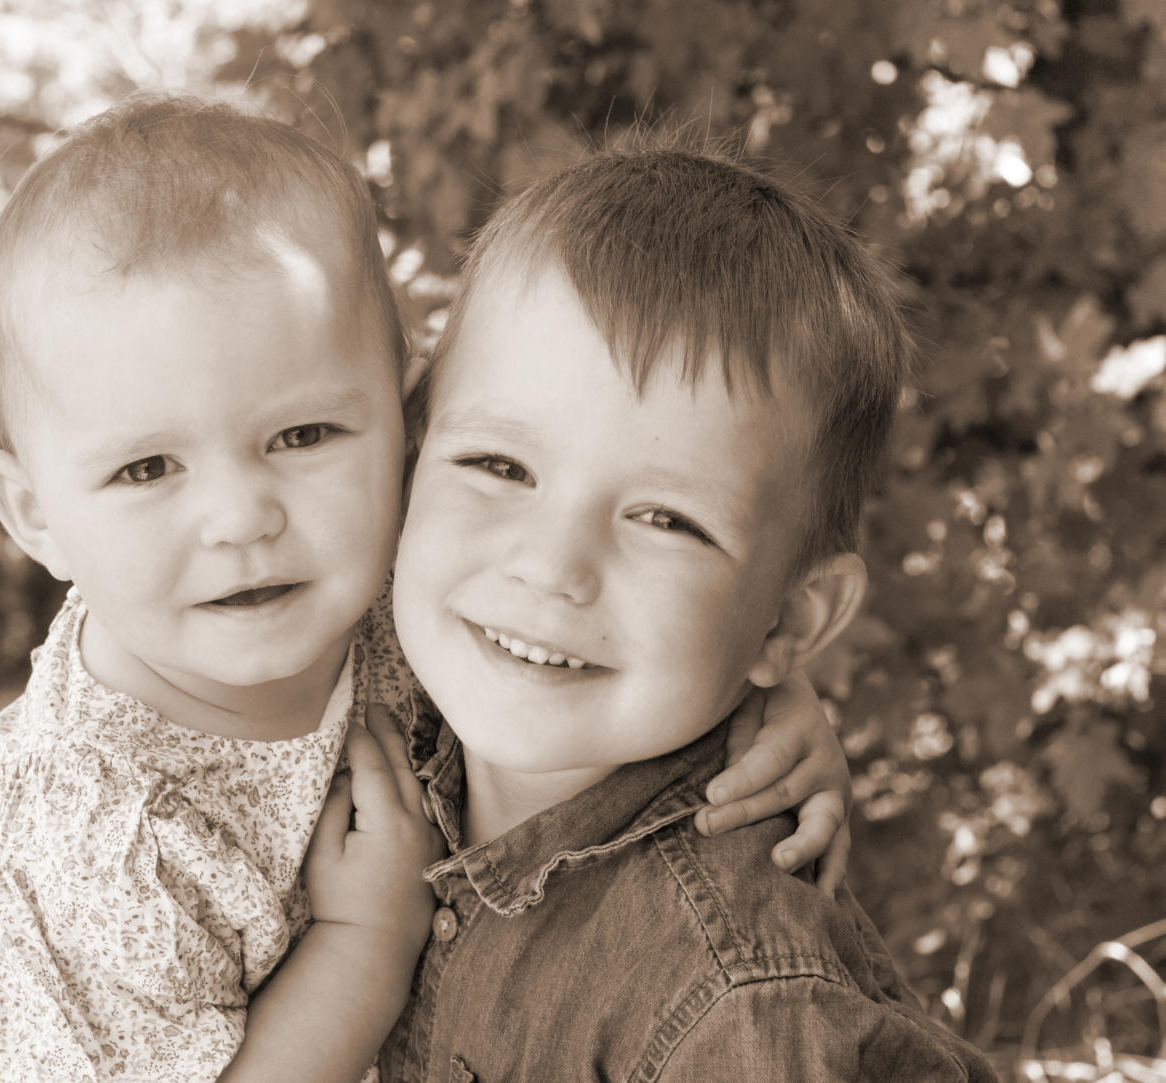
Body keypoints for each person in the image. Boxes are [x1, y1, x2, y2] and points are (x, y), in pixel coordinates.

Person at [0, 93, 854, 1083]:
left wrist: (765, 689)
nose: (242, 518)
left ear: (406, 423)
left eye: (304, 436)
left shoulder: (387, 589)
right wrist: (363, 945)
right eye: (147, 469)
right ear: (35, 514)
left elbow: (622, 620)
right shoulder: (88, 852)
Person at [376, 145, 999, 1079]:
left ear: (790, 621)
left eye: (666, 520)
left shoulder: (738, 1011)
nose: (551, 567)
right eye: (499, 466)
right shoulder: (357, 679)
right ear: (409, 449)